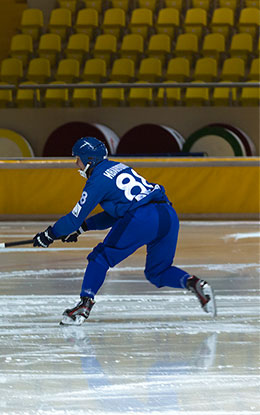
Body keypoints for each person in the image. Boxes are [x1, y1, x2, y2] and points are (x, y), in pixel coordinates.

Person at [33, 137, 216, 325]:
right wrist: (83, 228)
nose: (76, 165)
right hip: (167, 215)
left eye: (77, 159)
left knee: (100, 258)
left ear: (89, 160)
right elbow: (116, 213)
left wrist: (49, 234)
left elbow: (73, 218)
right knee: (158, 272)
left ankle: (84, 305)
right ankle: (194, 283)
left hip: (142, 217)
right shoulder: (118, 166)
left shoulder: (97, 180)